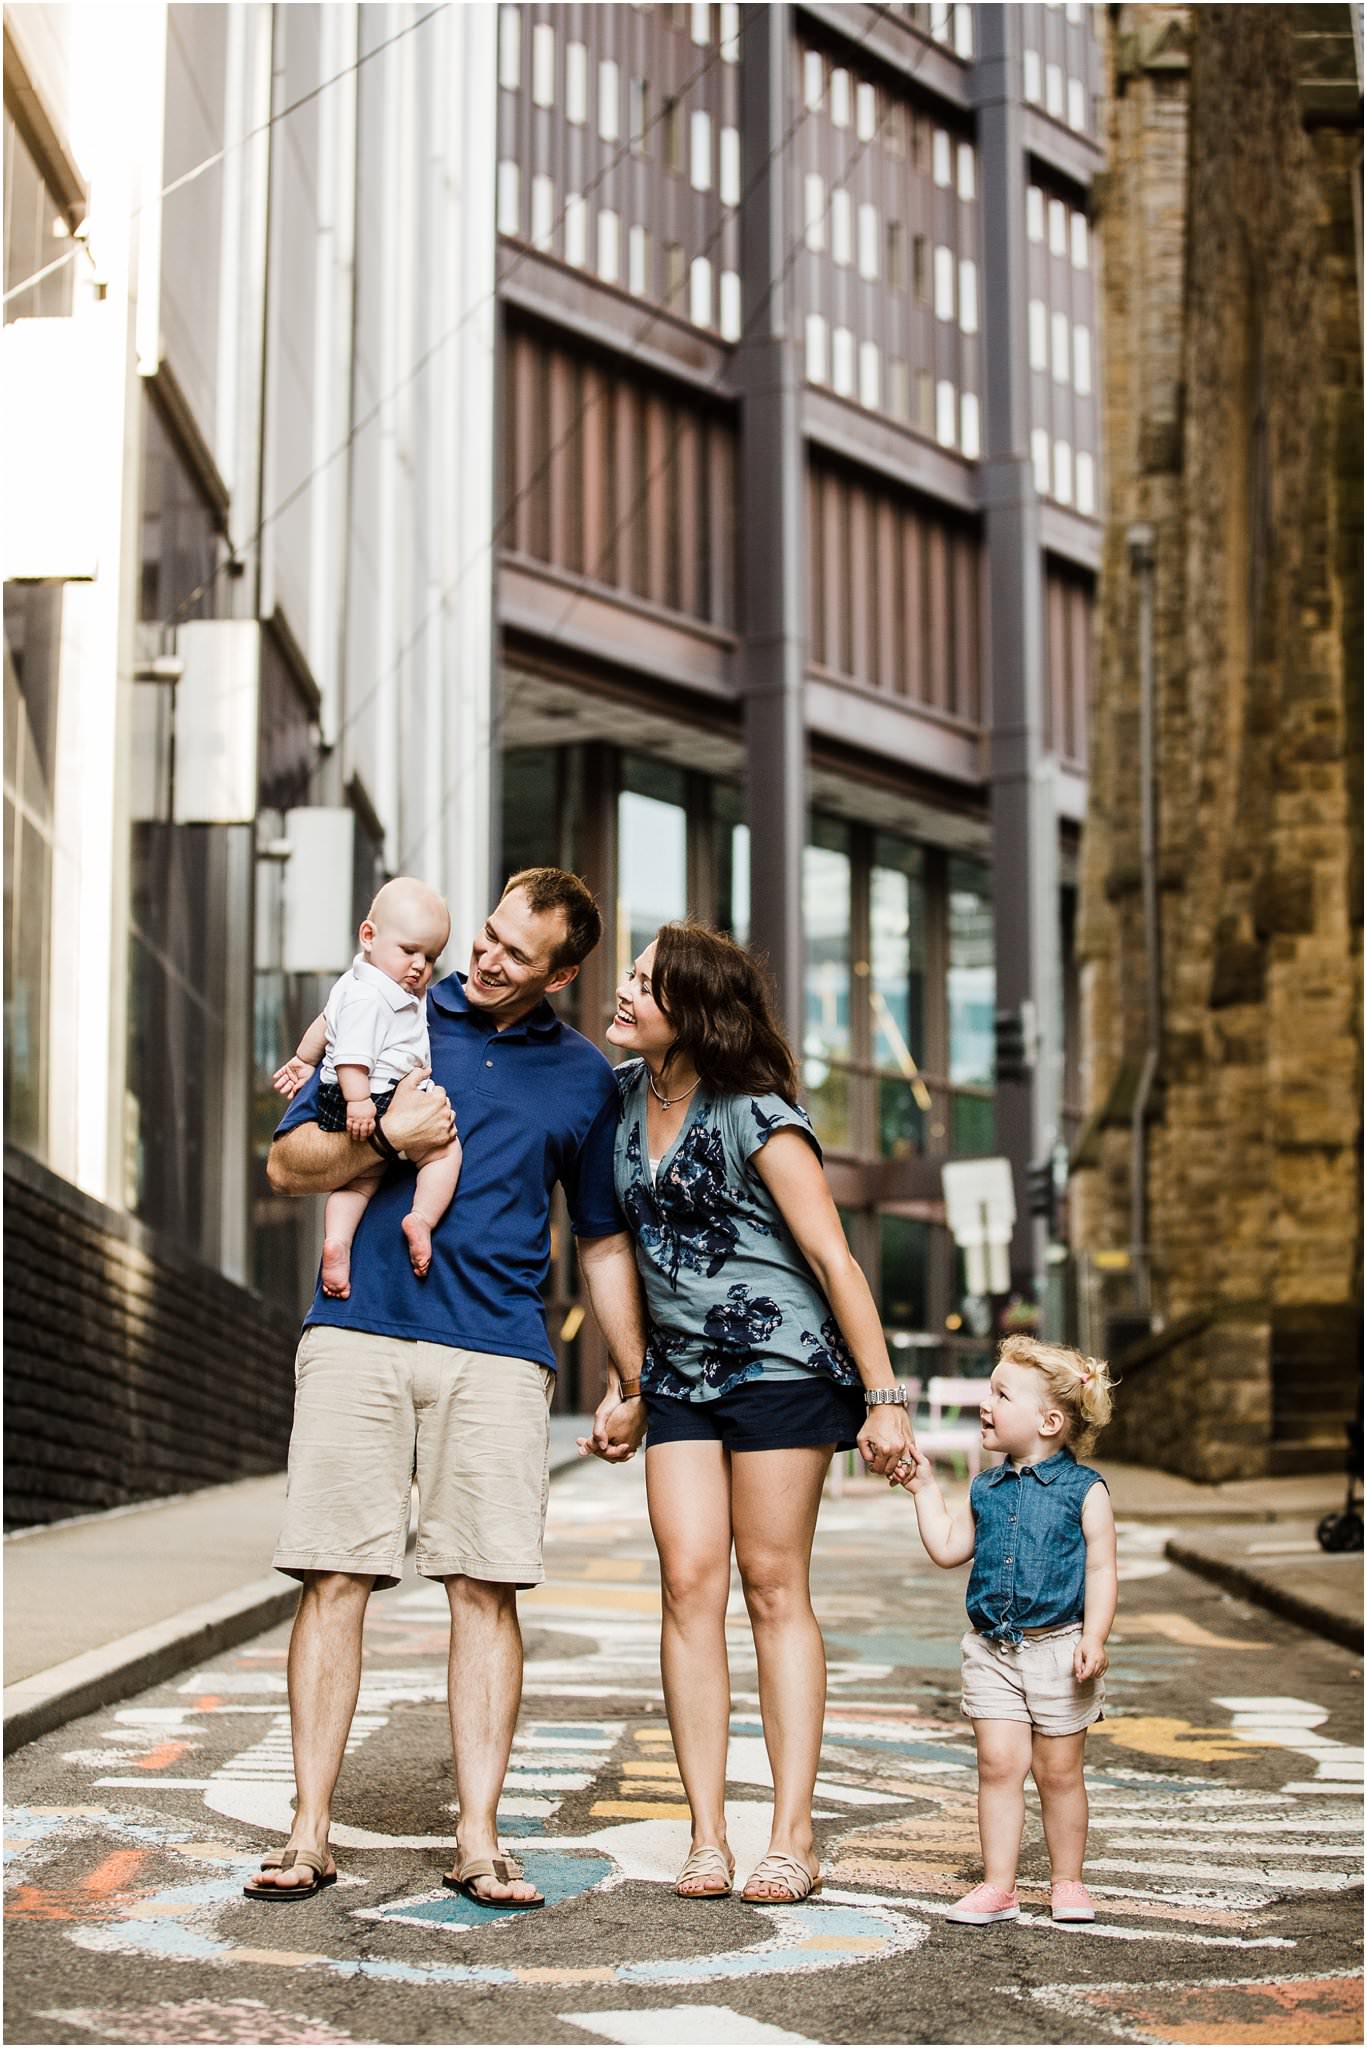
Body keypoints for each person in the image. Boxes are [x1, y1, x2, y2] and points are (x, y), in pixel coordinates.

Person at [245, 868, 649, 1908]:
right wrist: (385, 1136)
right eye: (486, 932)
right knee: (333, 1573)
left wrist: (633, 1374)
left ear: (561, 972)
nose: (483, 958)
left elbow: (600, 1238)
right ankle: (306, 1830)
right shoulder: (383, 1001)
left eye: (516, 953)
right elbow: (288, 1163)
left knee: (486, 1585)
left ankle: (477, 1837)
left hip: (500, 1350)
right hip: (357, 1331)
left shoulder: (581, 1078)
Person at [581, 919, 917, 1906]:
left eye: (643, 980)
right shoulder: (618, 1099)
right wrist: (628, 1379)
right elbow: (623, 1254)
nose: (623, 990)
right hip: (680, 1377)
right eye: (628, 975)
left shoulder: (752, 1112)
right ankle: (705, 1832)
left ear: (688, 1007)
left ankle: (792, 1829)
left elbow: (832, 1258)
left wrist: (884, 1395)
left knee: (772, 1585)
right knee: (687, 1582)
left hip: (781, 1368)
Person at [897, 1334, 1117, 1926]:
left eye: (1000, 1394)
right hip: (992, 1650)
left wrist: (1094, 1637)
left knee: (1058, 1772)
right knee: (998, 1766)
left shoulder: (1085, 1491)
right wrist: (923, 1489)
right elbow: (948, 1548)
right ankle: (999, 1886)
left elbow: (1100, 1568)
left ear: (1049, 1421)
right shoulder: (984, 1488)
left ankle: (1067, 1881)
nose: (984, 1404)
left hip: (1059, 1648)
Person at [272, 877, 461, 1299]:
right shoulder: (375, 997)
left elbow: (325, 1024)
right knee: (445, 1149)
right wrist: (360, 1104)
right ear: (369, 935)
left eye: (430, 957)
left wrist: (303, 1060)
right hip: (373, 1098)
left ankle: (337, 1243)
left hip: (348, 1098)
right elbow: (352, 1056)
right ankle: (422, 1219)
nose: (419, 967)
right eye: (409, 951)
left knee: (357, 1182)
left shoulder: (353, 983)